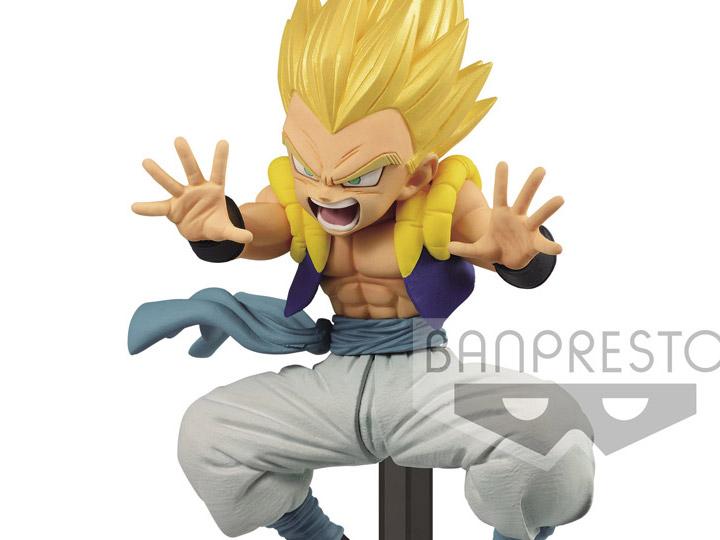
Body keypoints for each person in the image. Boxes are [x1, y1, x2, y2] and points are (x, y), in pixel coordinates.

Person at [129, 1, 594, 539]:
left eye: (361, 174)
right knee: (208, 431)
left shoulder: (442, 197)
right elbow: (260, 226)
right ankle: (315, 535)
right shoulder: (300, 202)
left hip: (426, 379)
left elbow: (484, 234)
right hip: (338, 381)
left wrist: (519, 255)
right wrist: (216, 227)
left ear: (416, 174)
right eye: (307, 165)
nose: (326, 190)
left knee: (553, 436)